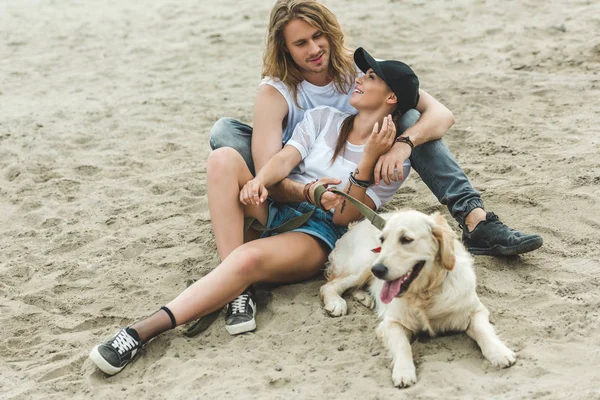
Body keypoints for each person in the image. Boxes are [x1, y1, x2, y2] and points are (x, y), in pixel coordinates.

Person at [209, 0, 543, 335]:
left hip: (351, 183)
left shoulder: (358, 74)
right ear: (284, 48)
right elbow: (275, 171)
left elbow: (442, 114)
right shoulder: (277, 90)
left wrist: (402, 145)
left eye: (318, 36)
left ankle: (474, 218)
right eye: (300, 43)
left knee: (411, 119)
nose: (314, 49)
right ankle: (242, 262)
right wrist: (310, 191)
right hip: (296, 172)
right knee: (224, 133)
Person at [90, 47, 420, 376]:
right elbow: (284, 160)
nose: (359, 79)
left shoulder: (390, 161)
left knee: (245, 260)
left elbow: (344, 217)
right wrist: (259, 181)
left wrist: (367, 161)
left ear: (391, 97)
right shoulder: (324, 118)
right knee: (223, 159)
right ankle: (240, 291)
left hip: (317, 234)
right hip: (281, 205)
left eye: (371, 77)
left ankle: (139, 332)